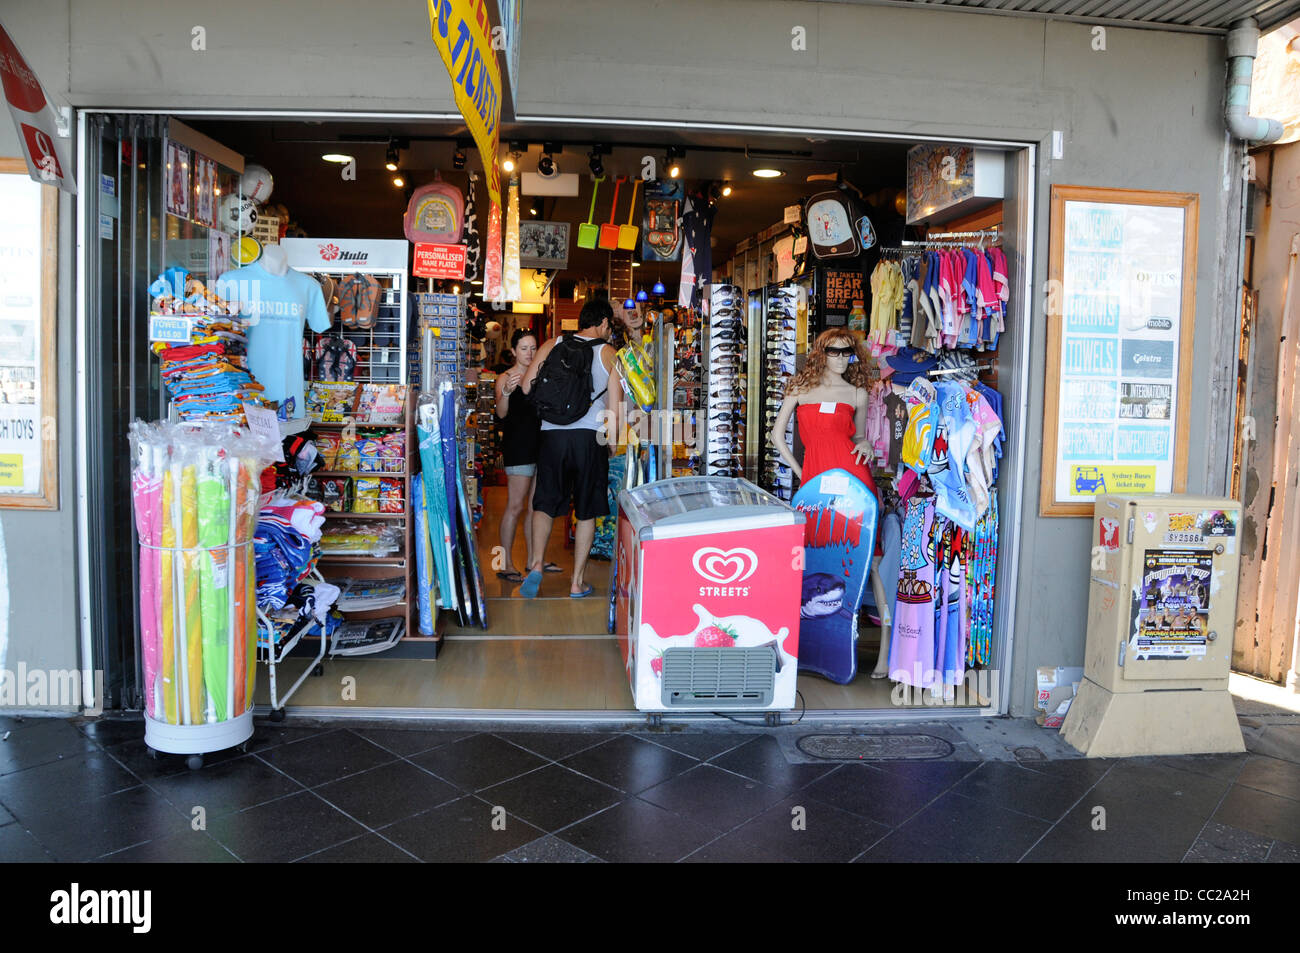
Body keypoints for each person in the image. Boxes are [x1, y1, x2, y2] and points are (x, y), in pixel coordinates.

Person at [519, 299, 619, 598]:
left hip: (552, 435)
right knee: (586, 509)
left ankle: (536, 564)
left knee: (545, 503)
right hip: (589, 437)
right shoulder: (609, 353)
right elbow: (614, 408)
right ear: (602, 323)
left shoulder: (553, 343)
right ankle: (577, 582)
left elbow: (526, 387)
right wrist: (610, 445)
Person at [767, 329, 880, 499]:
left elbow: (858, 437)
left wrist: (865, 444)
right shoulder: (799, 388)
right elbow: (776, 436)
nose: (841, 358)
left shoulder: (857, 394)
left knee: (852, 523)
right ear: (822, 354)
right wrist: (801, 473)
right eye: (834, 352)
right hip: (814, 470)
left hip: (851, 472)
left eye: (845, 352)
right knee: (818, 523)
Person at [493, 329, 562, 582]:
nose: (529, 353)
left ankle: (535, 560)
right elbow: (501, 414)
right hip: (518, 448)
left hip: (542, 446)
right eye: (524, 348)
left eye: (533, 348)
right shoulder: (505, 377)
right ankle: (505, 563)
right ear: (513, 351)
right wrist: (509, 393)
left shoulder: (541, 375)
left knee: (536, 507)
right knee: (514, 507)